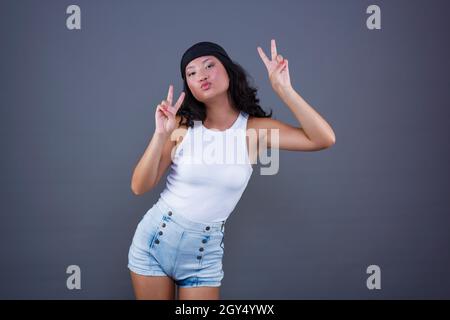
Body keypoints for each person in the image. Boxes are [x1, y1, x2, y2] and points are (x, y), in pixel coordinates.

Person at [128, 39, 336, 300]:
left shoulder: (254, 131)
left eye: (208, 66)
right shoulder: (180, 126)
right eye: (191, 73)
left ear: (228, 69)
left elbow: (323, 139)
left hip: (204, 254)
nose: (201, 75)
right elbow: (139, 186)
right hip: (155, 241)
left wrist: (285, 90)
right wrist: (159, 136)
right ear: (188, 86)